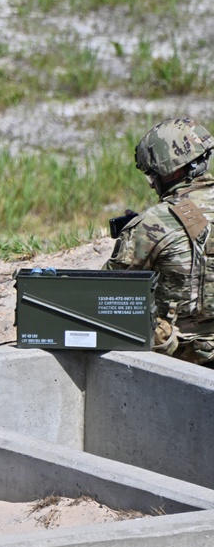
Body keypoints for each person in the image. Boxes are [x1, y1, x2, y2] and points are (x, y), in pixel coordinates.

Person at [105, 116, 214, 365]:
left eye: (151, 174)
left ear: (170, 171)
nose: (151, 183)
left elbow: (108, 292)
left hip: (180, 361)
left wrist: (136, 233)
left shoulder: (153, 223)